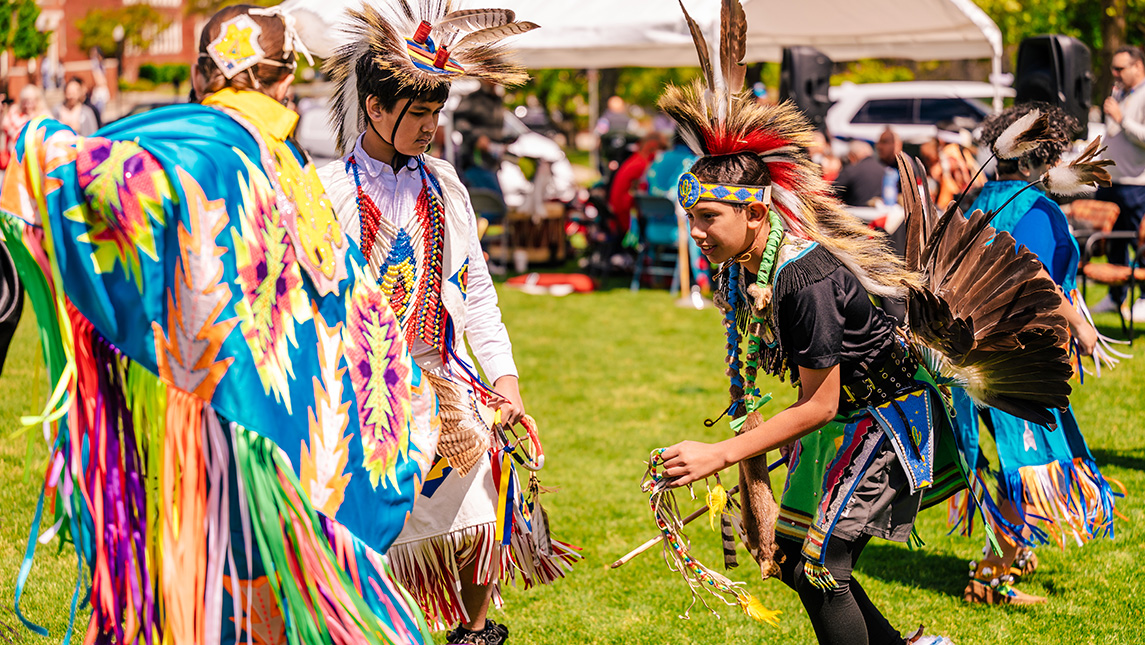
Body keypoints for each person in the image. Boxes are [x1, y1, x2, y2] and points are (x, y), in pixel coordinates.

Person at [0, 5, 437, 642]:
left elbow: (93, 185)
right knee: (277, 575)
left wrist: (39, 143)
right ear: (285, 82)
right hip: (295, 420)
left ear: (204, 77)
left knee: (227, 574)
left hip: (226, 416)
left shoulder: (198, 147)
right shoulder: (277, 162)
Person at [316, 6, 578, 644]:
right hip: (360, 384)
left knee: (477, 512)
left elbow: (478, 289)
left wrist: (505, 382)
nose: (431, 128)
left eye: (436, 114)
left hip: (443, 374)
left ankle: (475, 632)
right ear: (375, 109)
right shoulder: (329, 191)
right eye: (418, 115)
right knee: (370, 529)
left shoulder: (446, 184)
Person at [956, 103, 1115, 605]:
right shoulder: (1035, 209)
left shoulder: (978, 201)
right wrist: (1082, 331)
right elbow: (1035, 276)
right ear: (1032, 162)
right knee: (1019, 458)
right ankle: (991, 576)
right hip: (1011, 357)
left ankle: (1010, 548)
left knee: (1011, 456)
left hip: (973, 355)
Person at [1093, 45, 1145, 318]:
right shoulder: (1119, 94)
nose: (1115, 73)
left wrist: (1122, 119)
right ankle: (1116, 297)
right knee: (1113, 242)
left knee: (1141, 243)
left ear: (1138, 67)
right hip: (1110, 181)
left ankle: (1144, 297)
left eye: (1120, 68)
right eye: (1113, 68)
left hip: (1137, 183)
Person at [608, 131, 665, 236]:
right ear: (653, 146)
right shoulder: (642, 165)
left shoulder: (635, 159)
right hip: (627, 217)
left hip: (619, 212)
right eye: (662, 149)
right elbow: (646, 190)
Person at [1, 84, 48, 169]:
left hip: (35, 162)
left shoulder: (44, 116)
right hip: (14, 160)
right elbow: (3, 126)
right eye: (25, 101)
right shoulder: (14, 112)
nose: (27, 105)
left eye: (31, 101)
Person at [833, 139, 883, 206]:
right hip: (881, 214)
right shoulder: (885, 170)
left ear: (852, 156)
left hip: (856, 213)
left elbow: (833, 191)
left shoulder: (851, 170)